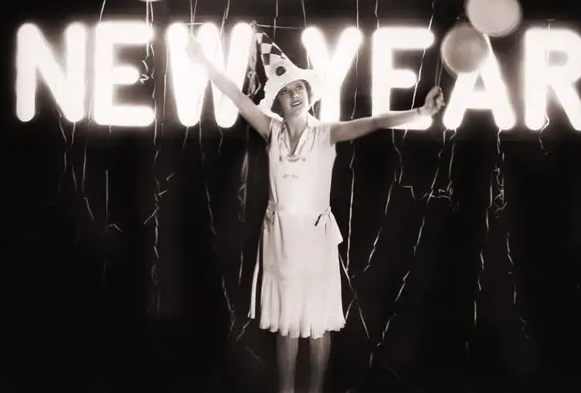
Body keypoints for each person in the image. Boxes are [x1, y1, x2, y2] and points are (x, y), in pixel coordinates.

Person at [186, 29, 444, 393]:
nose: (294, 95)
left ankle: (316, 389)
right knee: (286, 323)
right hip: (279, 240)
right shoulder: (270, 130)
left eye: (300, 89)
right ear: (276, 101)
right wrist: (202, 61)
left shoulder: (326, 133)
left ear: (309, 94)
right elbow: (234, 94)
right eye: (287, 91)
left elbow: (375, 122)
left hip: (315, 238)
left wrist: (421, 111)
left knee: (318, 324)